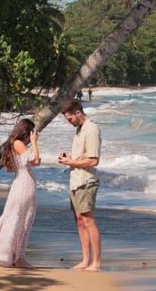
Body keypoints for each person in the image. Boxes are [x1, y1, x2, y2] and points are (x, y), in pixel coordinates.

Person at [0, 118, 41, 268]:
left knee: (17, 218)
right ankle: (17, 257)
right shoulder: (18, 144)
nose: (32, 135)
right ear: (27, 132)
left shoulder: (15, 145)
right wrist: (34, 141)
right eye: (31, 133)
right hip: (24, 184)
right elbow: (36, 159)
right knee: (21, 219)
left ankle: (13, 255)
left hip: (21, 183)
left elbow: (32, 162)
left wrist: (33, 149)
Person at [58, 100, 102, 271]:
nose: (69, 122)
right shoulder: (79, 129)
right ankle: (85, 260)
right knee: (79, 221)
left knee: (88, 220)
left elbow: (93, 160)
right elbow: (82, 157)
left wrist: (71, 161)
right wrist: (69, 158)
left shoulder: (91, 129)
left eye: (69, 119)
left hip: (86, 181)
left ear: (78, 112)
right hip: (76, 180)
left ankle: (96, 263)